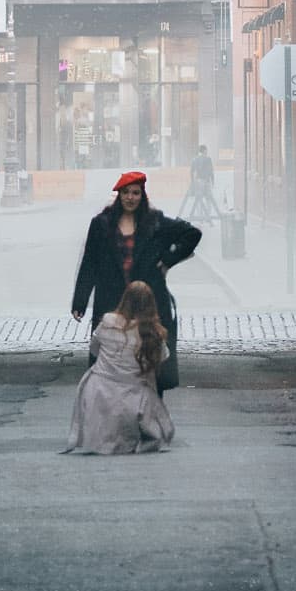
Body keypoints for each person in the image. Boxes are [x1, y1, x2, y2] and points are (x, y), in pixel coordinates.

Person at [70, 171, 202, 391]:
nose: (130, 197)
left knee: (148, 362)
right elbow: (89, 263)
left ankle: (148, 413)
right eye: (126, 193)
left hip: (147, 302)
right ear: (119, 195)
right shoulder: (101, 225)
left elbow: (192, 234)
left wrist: (167, 260)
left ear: (142, 195)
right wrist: (80, 302)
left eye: (135, 193)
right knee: (111, 364)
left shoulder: (155, 223)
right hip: (112, 301)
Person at [63, 281, 175, 455]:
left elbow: (95, 349)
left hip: (98, 391)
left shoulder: (107, 322)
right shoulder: (152, 333)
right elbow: (163, 357)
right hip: (134, 397)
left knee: (93, 378)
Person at [179, 143, 220, 224]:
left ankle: (200, 217)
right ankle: (207, 217)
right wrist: (213, 181)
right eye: (206, 150)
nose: (207, 152)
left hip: (198, 181)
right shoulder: (208, 159)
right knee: (209, 199)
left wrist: (193, 181)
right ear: (204, 150)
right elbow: (211, 171)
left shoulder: (194, 159)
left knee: (199, 200)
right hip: (206, 181)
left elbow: (191, 171)